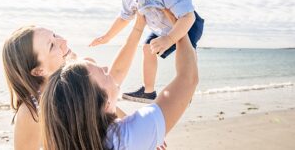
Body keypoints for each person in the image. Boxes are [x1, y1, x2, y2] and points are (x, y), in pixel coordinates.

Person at [40, 13, 199, 150]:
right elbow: (188, 78)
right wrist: (177, 26)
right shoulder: (126, 137)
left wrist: (138, 26)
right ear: (106, 104)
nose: (107, 68)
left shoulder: (64, 137)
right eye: (103, 73)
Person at [89, 0, 204, 103]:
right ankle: (148, 91)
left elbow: (188, 16)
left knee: (185, 50)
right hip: (161, 30)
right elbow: (124, 17)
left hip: (186, 24)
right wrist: (107, 36)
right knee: (147, 48)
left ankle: (187, 88)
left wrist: (170, 38)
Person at [2, 24, 132, 149]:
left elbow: (126, 125)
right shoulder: (31, 112)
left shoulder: (83, 76)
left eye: (54, 34)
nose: (63, 41)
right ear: (38, 71)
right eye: (52, 45)